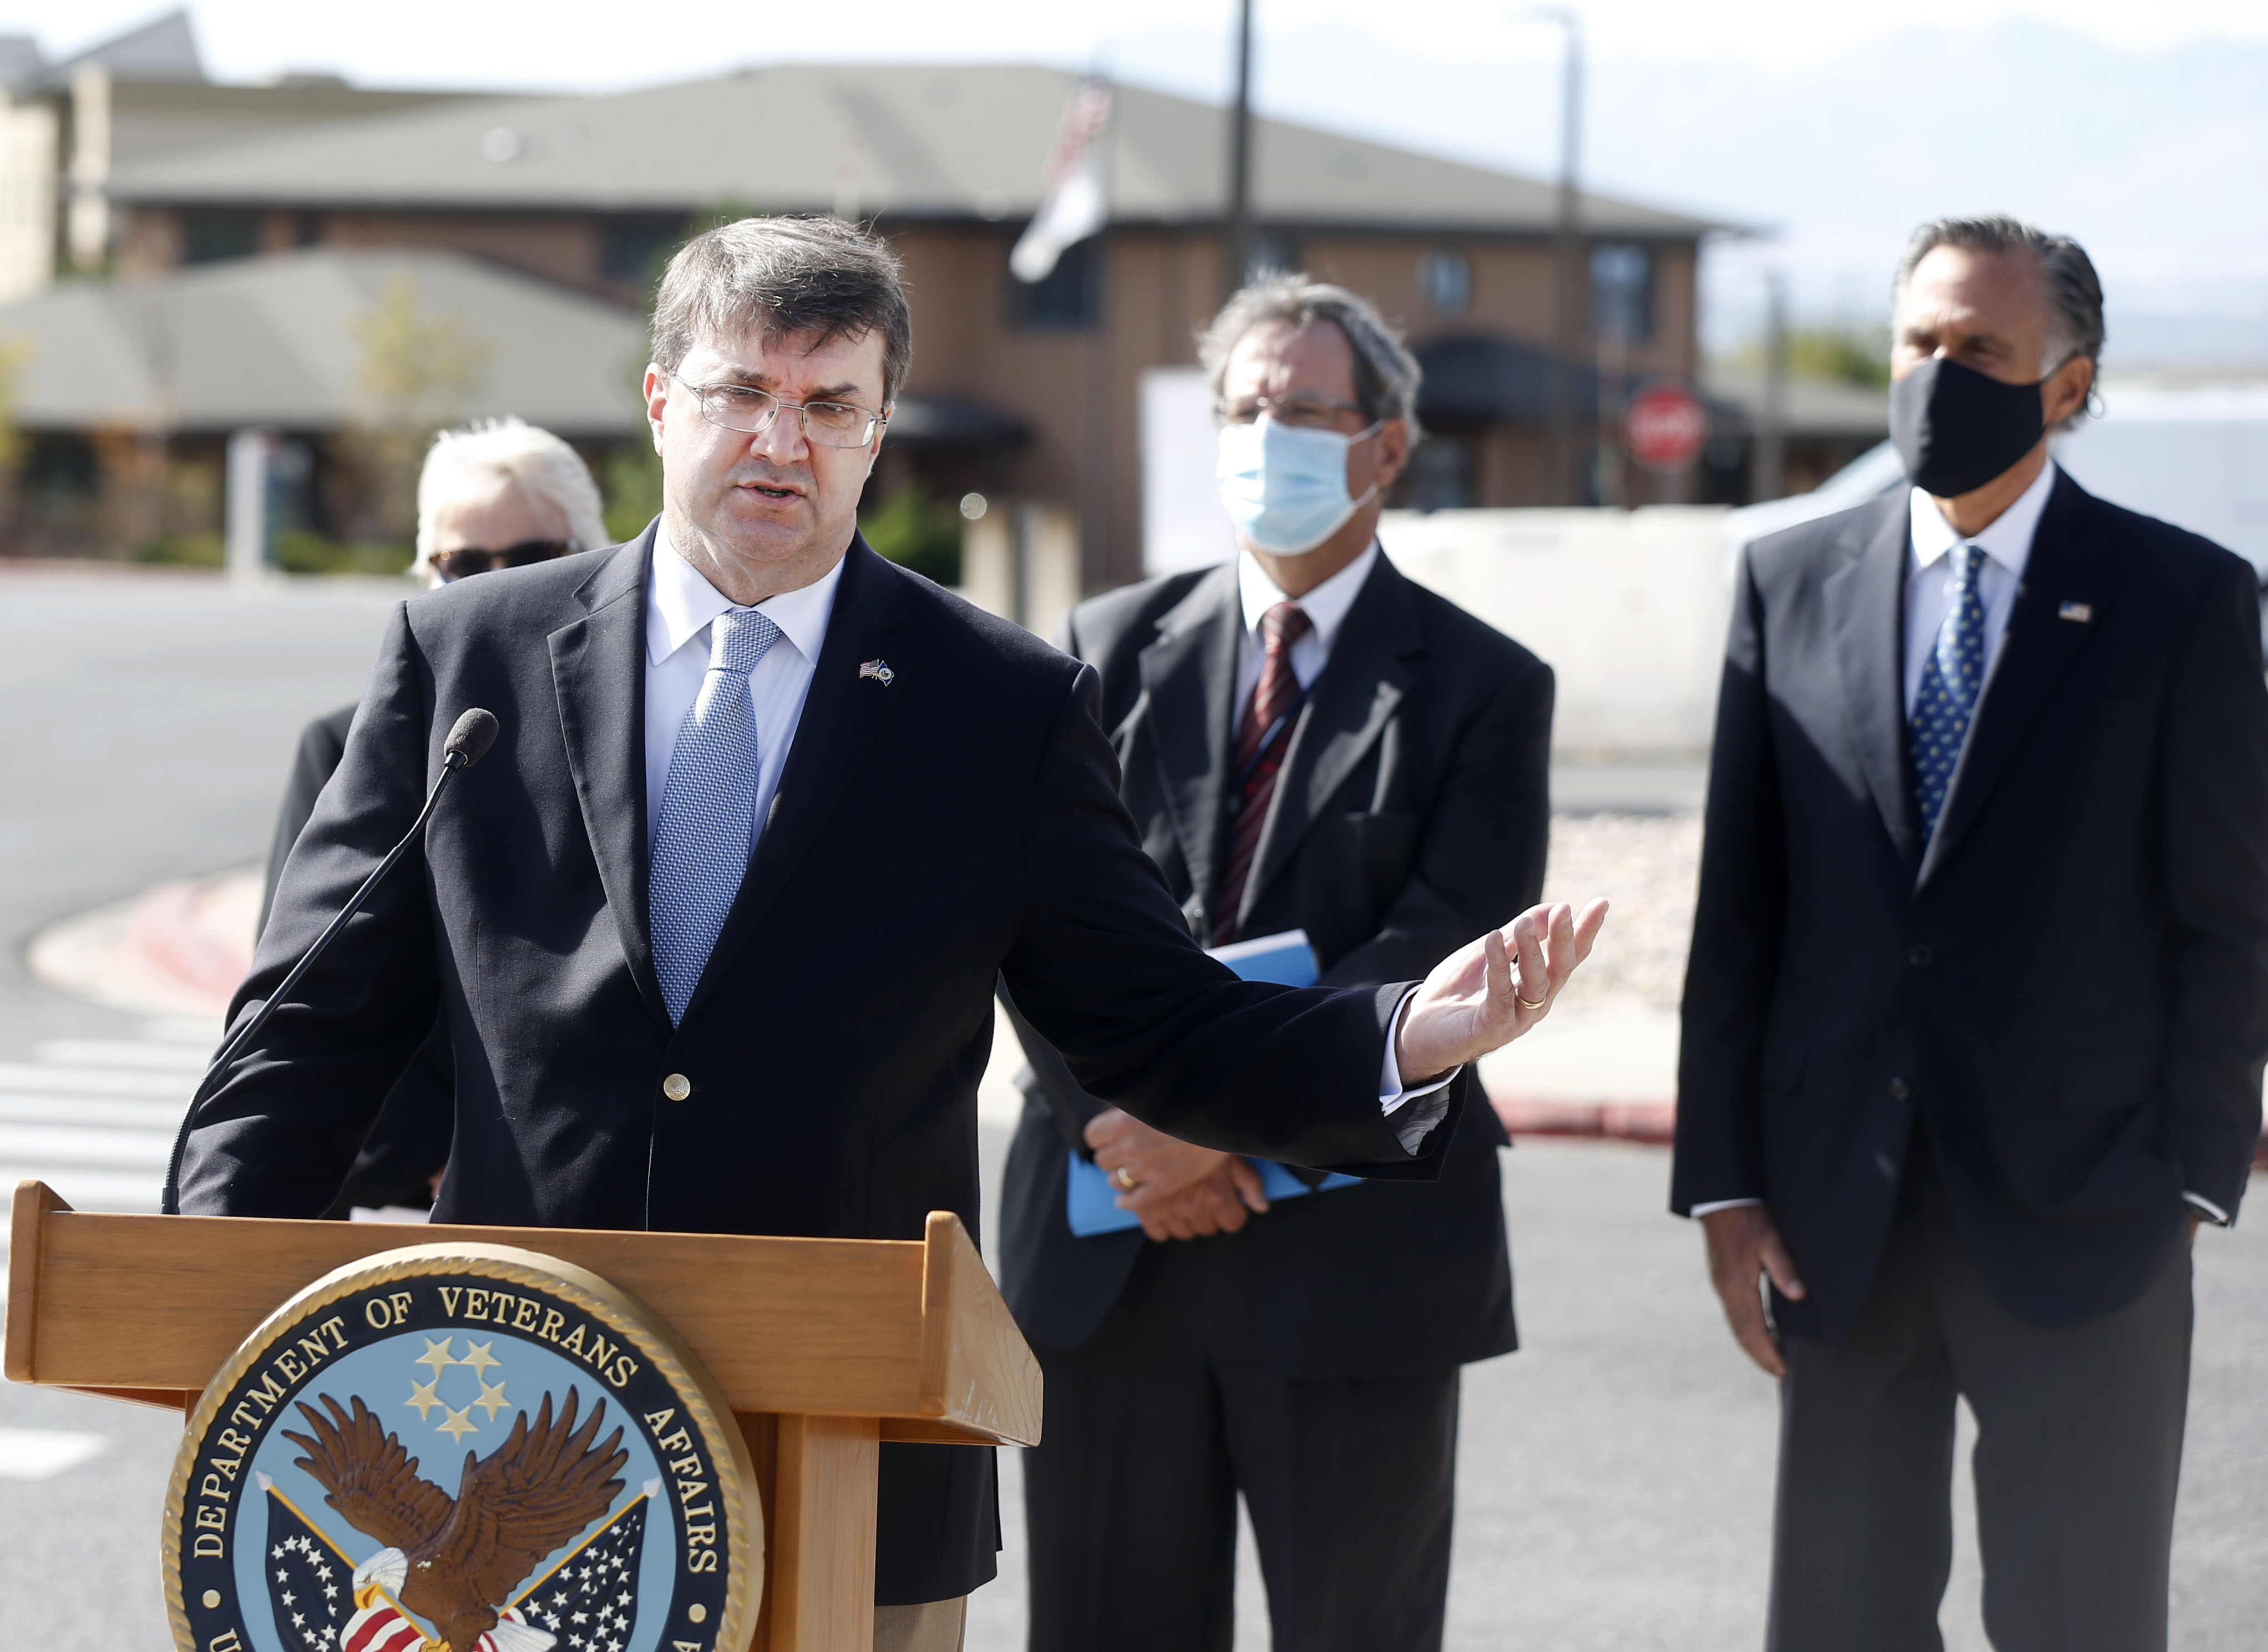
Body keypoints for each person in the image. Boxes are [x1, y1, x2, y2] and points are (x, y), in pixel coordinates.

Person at [170, 215, 1604, 1652]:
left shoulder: (1000, 703)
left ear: (877, 434)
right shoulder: (465, 658)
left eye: (829, 406)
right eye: (743, 395)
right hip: (513, 1435)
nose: (779, 444)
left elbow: (1156, 1020)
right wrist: (204, 1305)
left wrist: (1403, 1036)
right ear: (663, 404)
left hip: (859, 1449)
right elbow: (308, 1025)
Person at [1673, 214, 2268, 1652]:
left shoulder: (2184, 601)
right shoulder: (1787, 579)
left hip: (2090, 1209)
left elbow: (2229, 912)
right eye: (1919, 343)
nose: (1940, 374)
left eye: (1981, 350)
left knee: (2078, 1613)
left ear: (2067, 384)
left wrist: (2189, 1176)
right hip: (1838, 1213)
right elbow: (1741, 909)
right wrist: (1726, 1180)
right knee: (1841, 1614)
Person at [998, 275, 1550, 1652]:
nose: (1265, 434)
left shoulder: (1484, 687)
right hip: (1106, 1242)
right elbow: (1032, 913)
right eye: (1242, 407)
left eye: (1303, 409)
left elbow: (1437, 957)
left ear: (1384, 445)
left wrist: (1211, 1129)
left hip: (1355, 1267)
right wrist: (1136, 1127)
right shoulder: (1099, 649)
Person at [255, 418, 606, 1218]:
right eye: (464, 565)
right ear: (426, 576)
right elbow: (312, 997)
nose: (494, 586)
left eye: (530, 558)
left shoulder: (644, 743)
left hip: (596, 1199)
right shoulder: (344, 747)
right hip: (411, 1204)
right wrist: (439, 1156)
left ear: (594, 558)